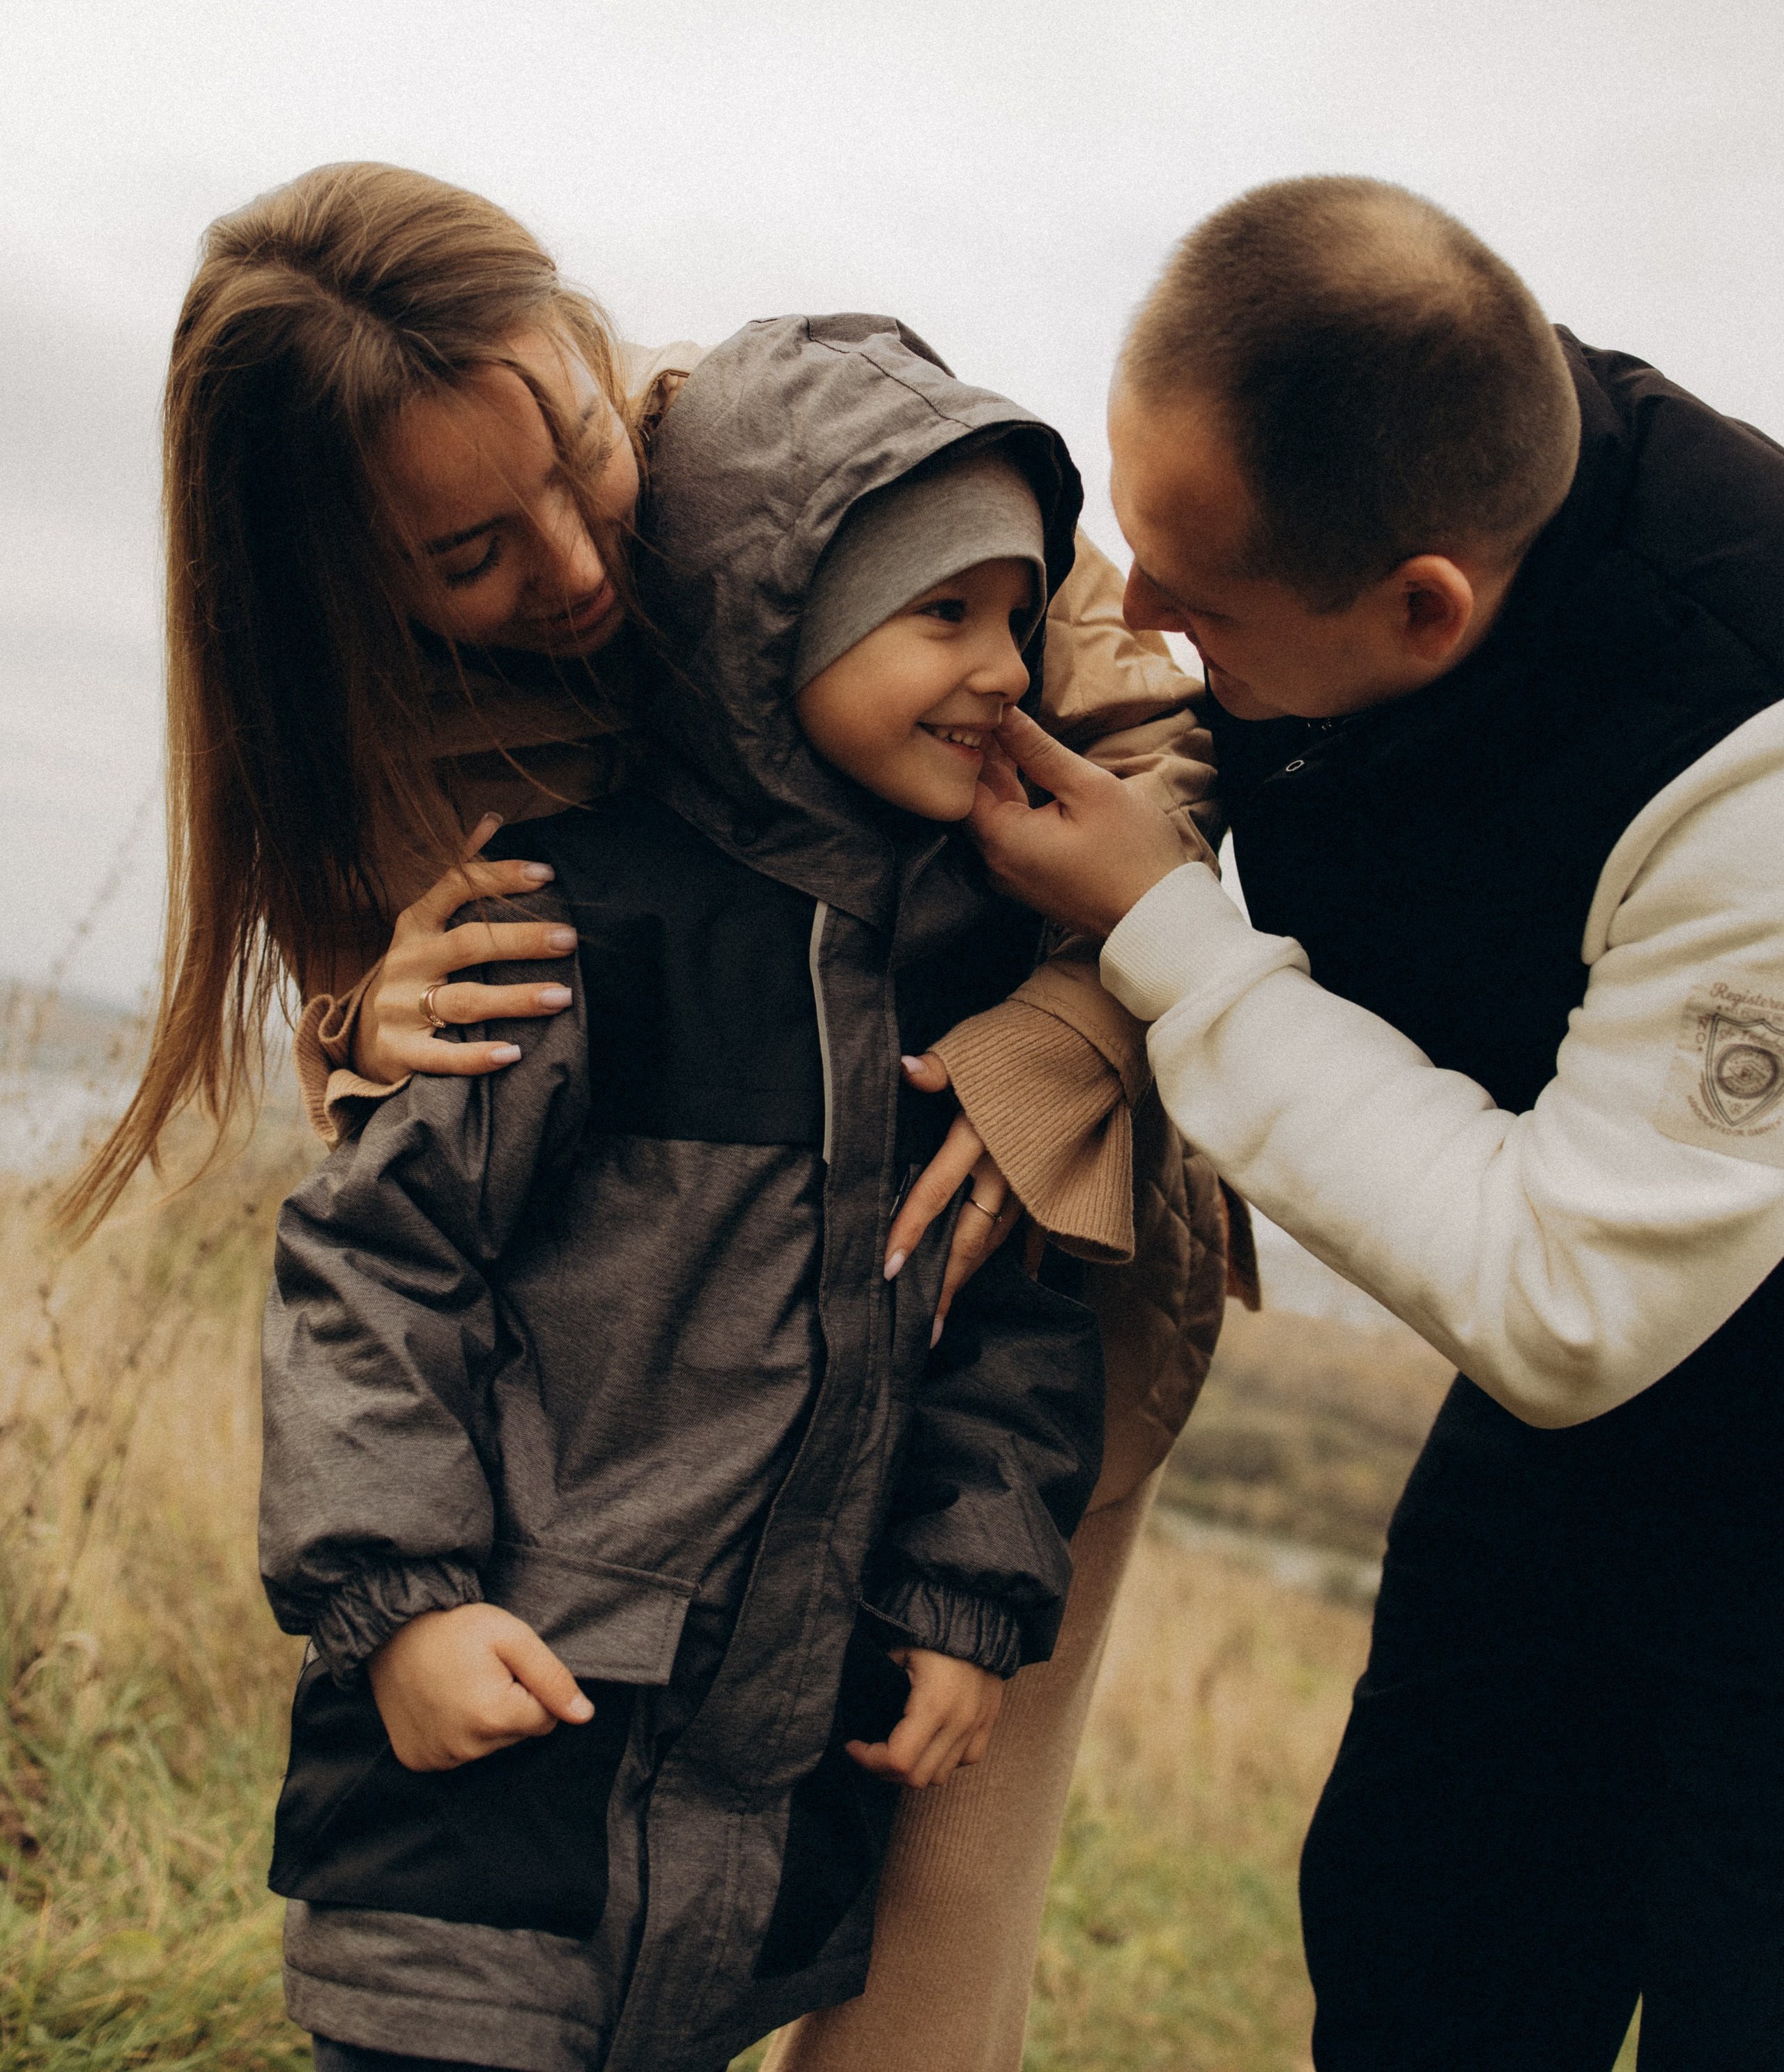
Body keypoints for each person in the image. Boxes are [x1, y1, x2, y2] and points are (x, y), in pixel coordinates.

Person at [70, 164, 1236, 2071]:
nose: (578, 563)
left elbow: (1170, 752)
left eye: (586, 446)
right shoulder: (370, 719)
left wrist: (1059, 1037)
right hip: (647, 1378)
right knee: (572, 1921)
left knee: (918, 1948)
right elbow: (417, 1125)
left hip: (992, 1281)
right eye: (470, 558)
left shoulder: (844, 472)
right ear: (344, 583)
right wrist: (369, 1017)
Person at [959, 173, 1784, 2070]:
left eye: (1202, 601)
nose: (1147, 624)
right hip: (1580, 1447)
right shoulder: (1360, 473)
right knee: (1429, 1935)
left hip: (1671, 1350)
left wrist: (1165, 933)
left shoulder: (1748, 741)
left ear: (1428, 606)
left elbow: (1563, 1289)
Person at [259, 312, 1110, 2072]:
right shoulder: (567, 919)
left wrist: (962, 1600)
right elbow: (373, 1268)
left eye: (1019, 616)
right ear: (767, 614)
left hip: (745, 1829)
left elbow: (1003, 1330)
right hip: (484, 1800)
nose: (1008, 666)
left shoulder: (962, 981)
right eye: (940, 612)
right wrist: (396, 1605)